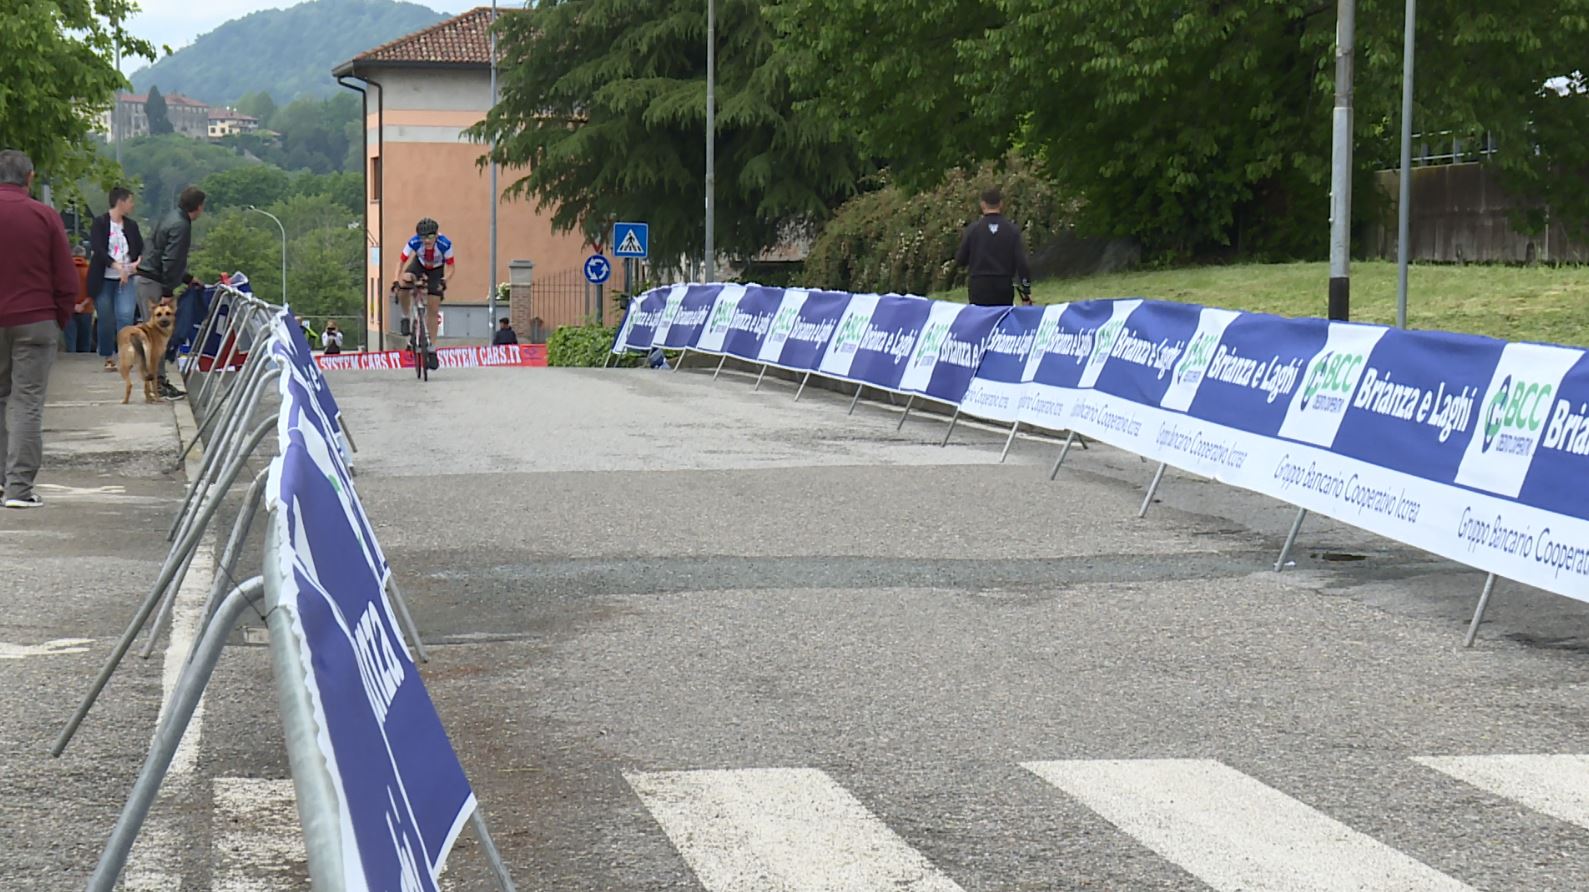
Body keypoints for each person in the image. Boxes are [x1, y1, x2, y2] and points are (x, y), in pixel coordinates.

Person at [0, 150, 78, 508]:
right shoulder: (44, 216)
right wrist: (59, 318)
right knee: (26, 402)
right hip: (35, 319)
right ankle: (18, 489)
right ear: (29, 177)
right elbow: (66, 276)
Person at [136, 186, 205, 399]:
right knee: (158, 337)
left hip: (146, 277)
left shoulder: (172, 217)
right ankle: (159, 384)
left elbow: (160, 251)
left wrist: (187, 278)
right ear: (199, 207)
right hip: (155, 282)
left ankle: (158, 382)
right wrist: (167, 292)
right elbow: (171, 259)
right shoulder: (182, 225)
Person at [89, 186, 143, 371]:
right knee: (106, 317)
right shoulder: (100, 223)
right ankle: (107, 354)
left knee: (126, 314)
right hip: (105, 277)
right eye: (130, 201)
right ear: (120, 202)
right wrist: (116, 265)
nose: (132, 205)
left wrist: (135, 264)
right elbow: (98, 249)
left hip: (126, 278)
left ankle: (125, 354)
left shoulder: (132, 226)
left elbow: (140, 249)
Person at [954, 188, 1034, 307]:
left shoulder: (973, 230)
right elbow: (1021, 262)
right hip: (1003, 284)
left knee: (981, 321)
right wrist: (1026, 290)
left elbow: (960, 260)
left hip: (979, 285)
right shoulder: (1012, 230)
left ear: (982, 204)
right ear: (1001, 204)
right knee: (1001, 321)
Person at [394, 217, 452, 341]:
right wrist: (395, 280)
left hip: (436, 270)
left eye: (430, 237)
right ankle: (405, 315)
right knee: (404, 281)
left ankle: (431, 345)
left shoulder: (445, 244)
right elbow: (401, 262)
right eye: (423, 237)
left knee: (433, 306)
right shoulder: (414, 242)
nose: (426, 241)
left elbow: (451, 267)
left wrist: (445, 280)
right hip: (419, 265)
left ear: (436, 234)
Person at [66, 246, 95, 352]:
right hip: (86, 310)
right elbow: (94, 291)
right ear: (84, 255)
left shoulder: (65, 269)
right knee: (85, 344)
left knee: (70, 343)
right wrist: (82, 305)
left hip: (68, 309)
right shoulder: (90, 270)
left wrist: (72, 305)